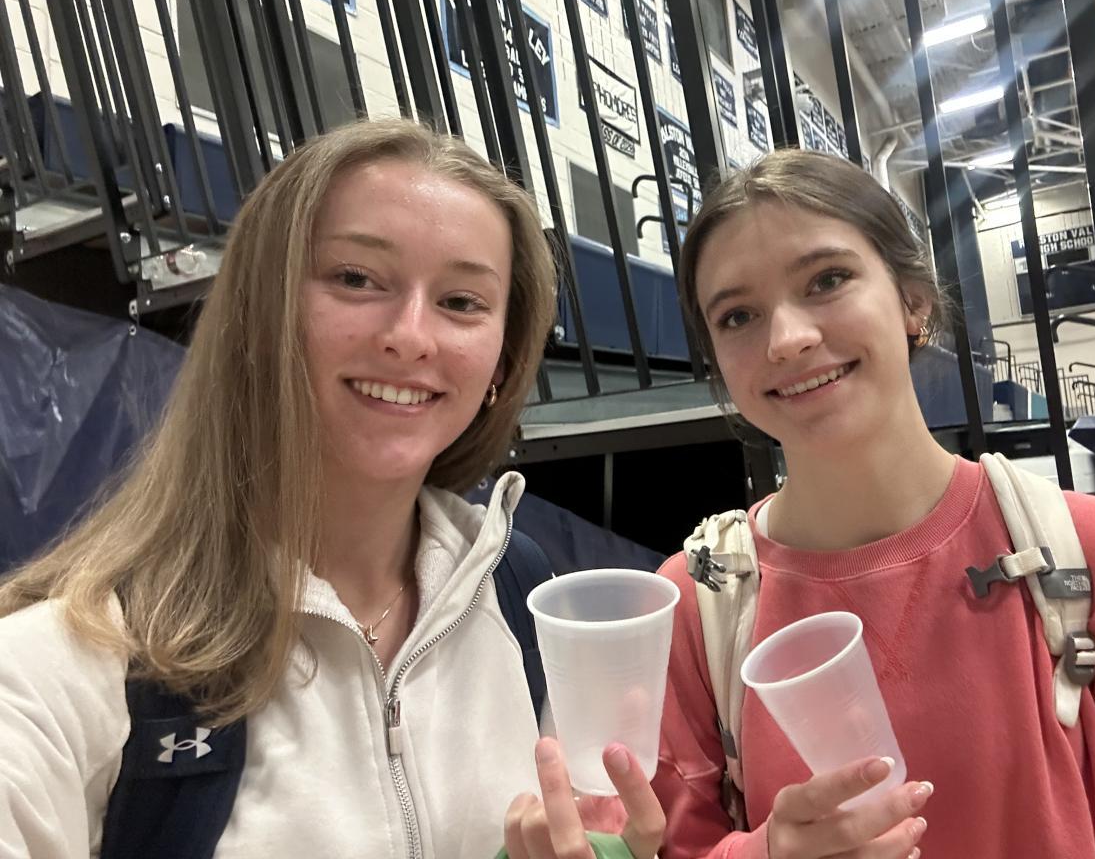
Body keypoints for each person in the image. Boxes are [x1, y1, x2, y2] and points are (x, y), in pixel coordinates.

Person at [0, 119, 655, 858]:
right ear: (259, 311)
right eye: (355, 278)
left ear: (501, 361)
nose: (411, 335)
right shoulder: (56, 675)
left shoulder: (518, 597)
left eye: (462, 301)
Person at [641, 150, 1095, 857]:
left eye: (827, 280)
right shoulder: (693, 606)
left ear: (913, 300)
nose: (787, 339)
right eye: (738, 315)